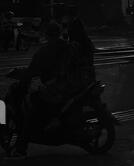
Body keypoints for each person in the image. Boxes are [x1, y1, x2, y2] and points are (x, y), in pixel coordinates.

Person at [9, 21, 82, 158]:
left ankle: (21, 147)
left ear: (47, 35)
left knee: (33, 111)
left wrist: (21, 74)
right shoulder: (69, 47)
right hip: (72, 87)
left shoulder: (45, 51)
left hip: (56, 90)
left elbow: (33, 70)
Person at [67, 5, 95, 83]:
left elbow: (78, 37)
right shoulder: (76, 22)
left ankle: (89, 82)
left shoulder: (74, 23)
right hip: (84, 48)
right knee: (86, 67)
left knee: (85, 67)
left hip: (83, 49)